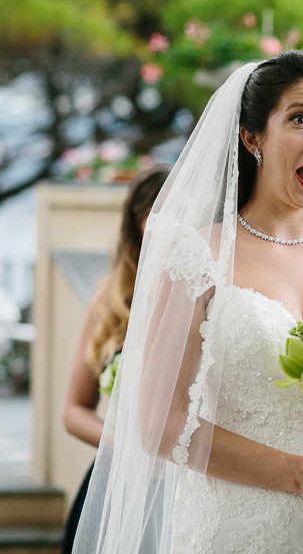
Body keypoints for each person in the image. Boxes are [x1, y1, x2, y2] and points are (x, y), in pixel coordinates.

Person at [72, 50, 303, 553]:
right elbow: (161, 423)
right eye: (300, 119)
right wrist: (302, 475)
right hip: (239, 531)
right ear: (252, 137)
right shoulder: (194, 256)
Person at [61, 164, 170, 553]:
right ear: (136, 222)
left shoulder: (212, 296)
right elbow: (74, 410)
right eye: (158, 210)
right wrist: (127, 447)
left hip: (187, 484)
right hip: (116, 481)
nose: (171, 220)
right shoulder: (109, 302)